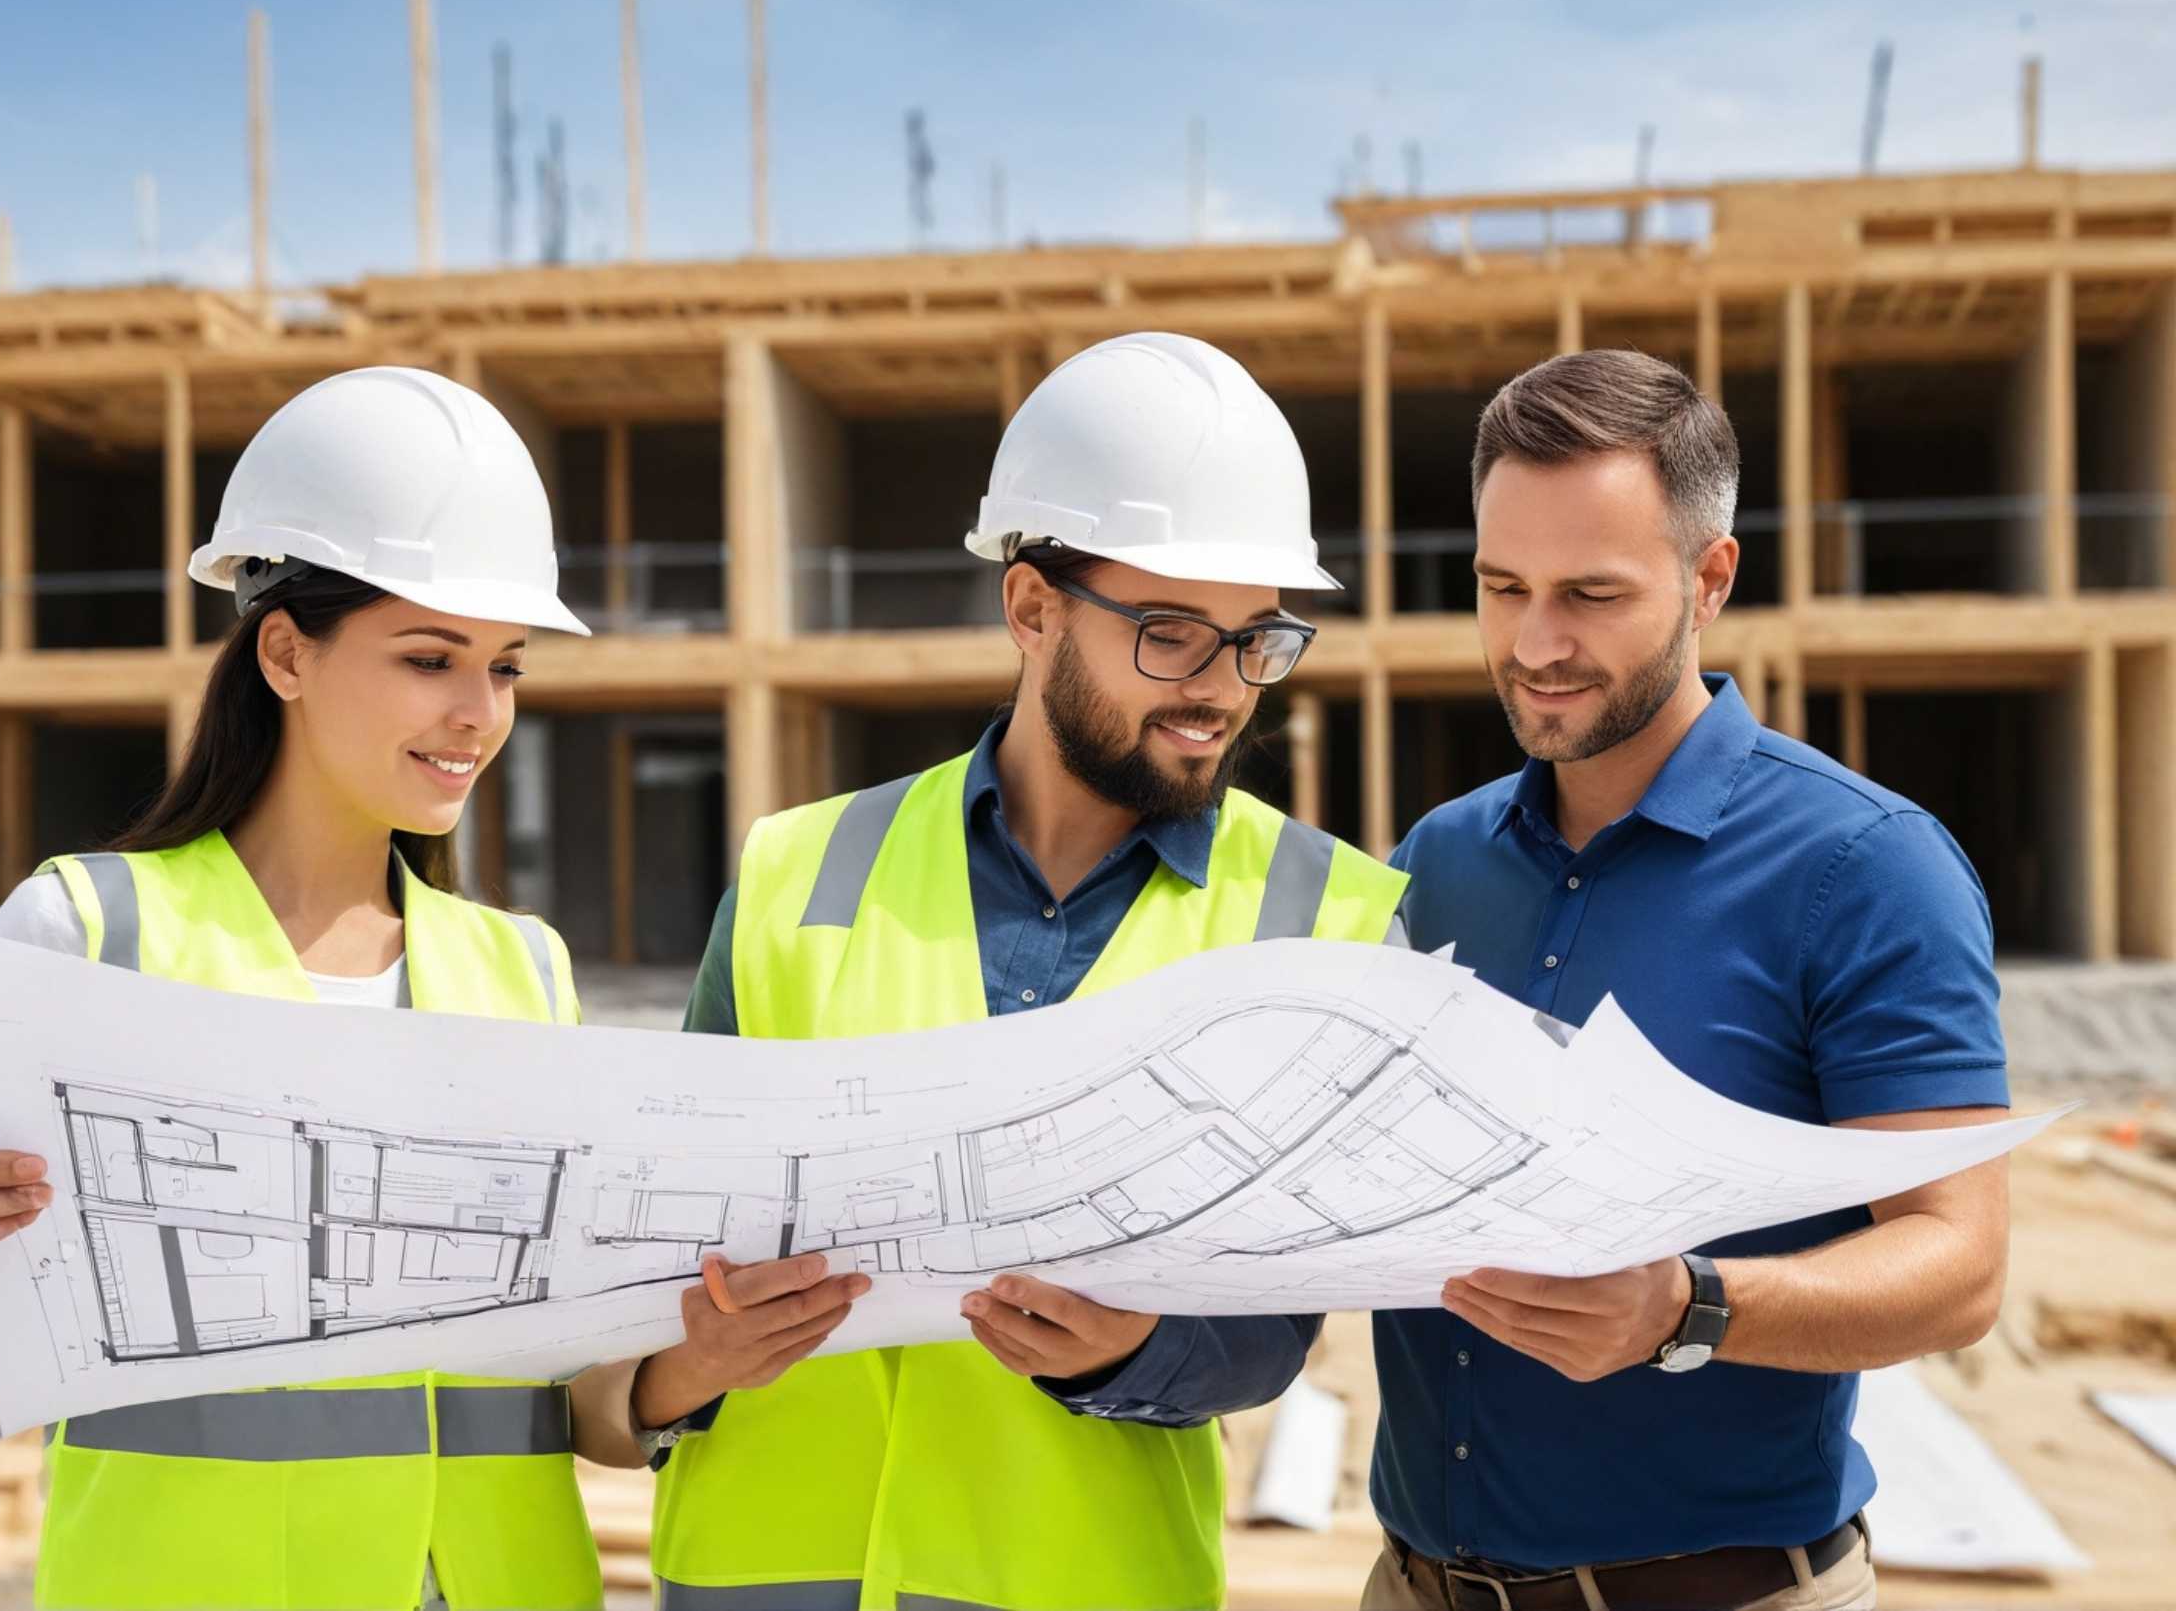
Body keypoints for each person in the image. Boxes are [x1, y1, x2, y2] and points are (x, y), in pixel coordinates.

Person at [0, 366, 791, 1610]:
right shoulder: (89, 939)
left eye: (506, 667)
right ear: (287, 653)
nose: (478, 714)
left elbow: (579, 1406)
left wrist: (698, 1362)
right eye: (429, 658)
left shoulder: (522, 971)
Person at [635, 332, 1412, 1610]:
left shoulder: (1325, 916)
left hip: (1083, 1580)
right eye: (1168, 633)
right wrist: (693, 1350)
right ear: (1032, 608)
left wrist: (1139, 1350)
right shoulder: (795, 872)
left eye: (1254, 640)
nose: (1217, 689)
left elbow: (1281, 1331)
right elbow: (654, 1261)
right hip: (762, 1576)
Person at [1364, 350, 2012, 1611]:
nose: (1534, 643)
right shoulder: (1431, 862)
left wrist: (1688, 1310)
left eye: (1591, 594)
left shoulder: (1865, 869)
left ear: (1709, 577)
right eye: (1502, 588)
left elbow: (1960, 1263)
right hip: (1410, 1584)